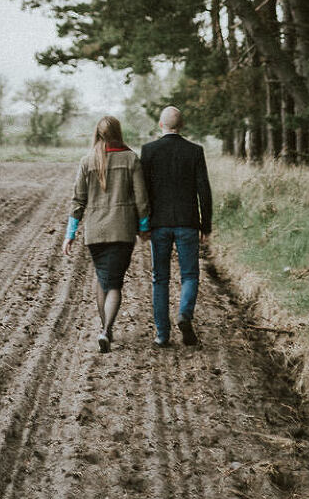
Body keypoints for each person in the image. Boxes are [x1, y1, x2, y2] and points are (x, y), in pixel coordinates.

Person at [63, 115, 150, 353]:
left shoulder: (87, 161)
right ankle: (106, 330)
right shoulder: (131, 158)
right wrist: (143, 228)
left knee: (104, 280)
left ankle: (105, 329)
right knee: (114, 284)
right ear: (118, 132)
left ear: (97, 134)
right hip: (122, 230)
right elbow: (141, 198)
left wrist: (70, 234)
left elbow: (77, 201)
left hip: (95, 232)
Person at [140, 105, 212, 348]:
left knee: (160, 278)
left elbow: (143, 192)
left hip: (158, 223)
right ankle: (184, 314)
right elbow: (204, 190)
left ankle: (162, 334)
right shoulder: (195, 151)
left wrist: (143, 223)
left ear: (161, 125)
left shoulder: (149, 151)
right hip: (187, 222)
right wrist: (206, 225)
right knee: (190, 274)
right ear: (182, 126)